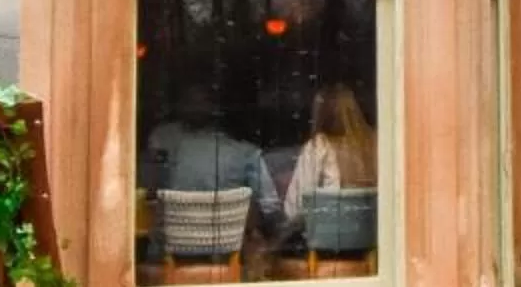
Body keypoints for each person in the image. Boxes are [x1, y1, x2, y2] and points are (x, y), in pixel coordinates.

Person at [143, 81, 282, 231]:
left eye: (202, 101)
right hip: (228, 246)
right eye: (190, 101)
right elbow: (270, 207)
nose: (196, 108)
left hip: (173, 245)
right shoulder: (165, 141)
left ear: (216, 108)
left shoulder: (244, 152)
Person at [281, 82, 377, 228]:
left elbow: (295, 207)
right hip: (372, 237)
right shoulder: (376, 143)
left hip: (330, 239)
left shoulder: (318, 146)